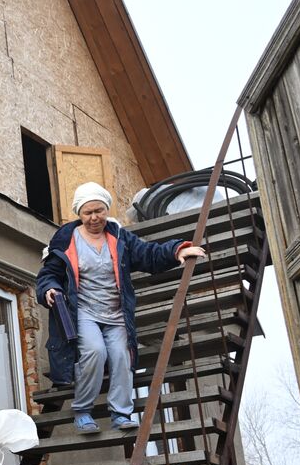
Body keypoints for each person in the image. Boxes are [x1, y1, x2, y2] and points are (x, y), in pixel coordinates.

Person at [37, 181, 207, 433]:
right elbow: (48, 273)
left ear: (106, 210)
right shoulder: (65, 239)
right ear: (79, 214)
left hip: (116, 314)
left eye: (99, 211)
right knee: (95, 352)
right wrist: (50, 289)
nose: (94, 217)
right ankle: (83, 411)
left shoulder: (119, 236)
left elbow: (147, 253)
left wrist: (176, 251)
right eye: (88, 212)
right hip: (83, 311)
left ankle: (121, 413)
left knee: (121, 356)